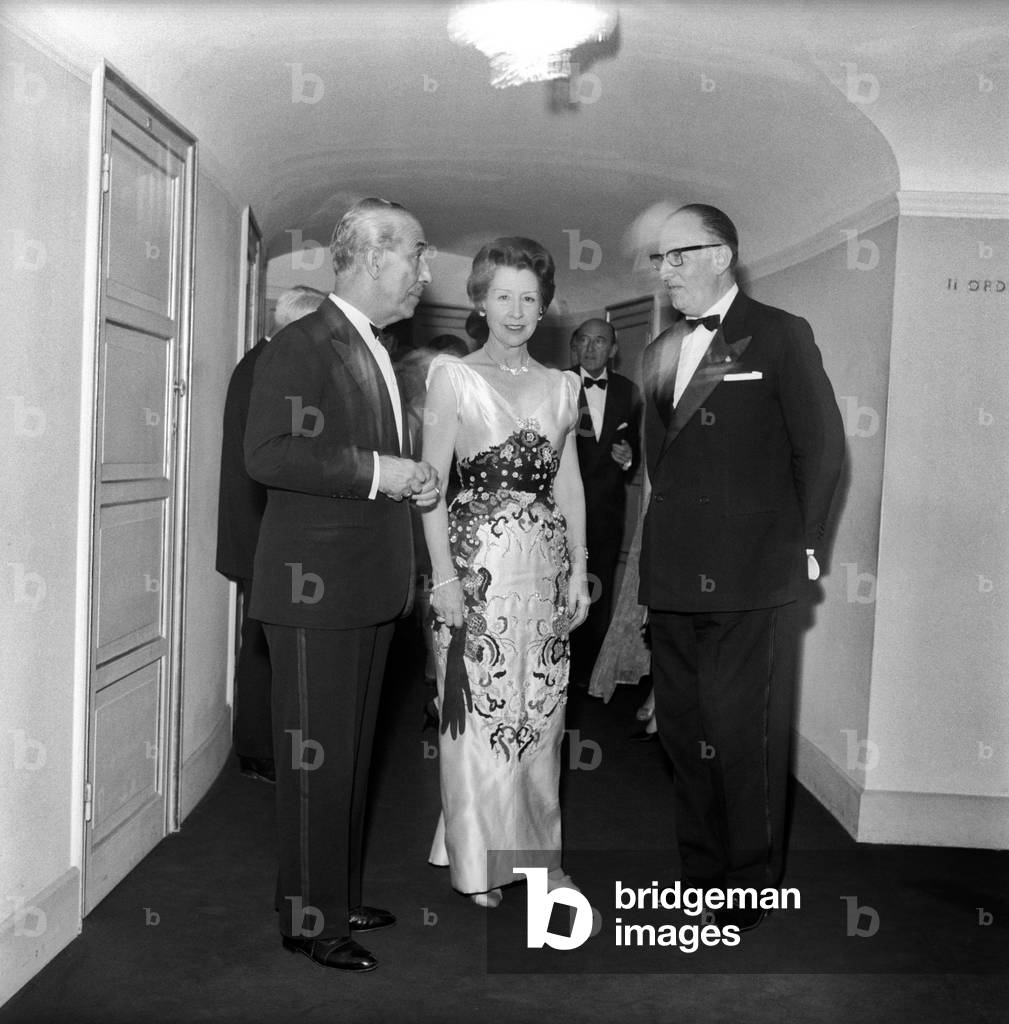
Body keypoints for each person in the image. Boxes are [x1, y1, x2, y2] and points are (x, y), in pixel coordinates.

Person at [244, 198, 439, 972]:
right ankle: (307, 919)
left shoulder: (368, 346)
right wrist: (376, 472)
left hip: (361, 589)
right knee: (315, 761)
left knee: (347, 758)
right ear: (368, 257)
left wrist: (405, 482)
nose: (424, 272)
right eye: (417, 254)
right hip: (312, 595)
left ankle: (332, 893)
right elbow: (267, 453)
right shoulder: (304, 342)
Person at [639, 203, 844, 932]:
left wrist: (806, 547)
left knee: (741, 735)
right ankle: (700, 872)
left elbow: (818, 449)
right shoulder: (660, 349)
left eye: (677, 256)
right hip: (672, 578)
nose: (664, 271)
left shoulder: (780, 333)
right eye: (658, 260)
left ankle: (749, 883)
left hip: (753, 576)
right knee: (683, 731)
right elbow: (660, 465)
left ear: (721, 255)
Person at [421, 237, 590, 908]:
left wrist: (579, 573)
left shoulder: (562, 385)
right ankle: (481, 861)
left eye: (528, 298)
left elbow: (569, 486)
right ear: (479, 302)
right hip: (475, 569)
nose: (515, 311)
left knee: (539, 718)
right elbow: (430, 486)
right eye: (502, 297)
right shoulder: (451, 376)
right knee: (480, 715)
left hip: (543, 575)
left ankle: (534, 857)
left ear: (543, 307)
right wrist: (442, 580)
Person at [216, 285, 326, 784]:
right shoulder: (268, 367)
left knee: (263, 642)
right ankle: (259, 752)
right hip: (262, 531)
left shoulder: (257, 360)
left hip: (257, 529)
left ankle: (263, 747)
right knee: (262, 645)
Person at [568, 318, 641, 690]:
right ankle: (556, 666)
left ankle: (592, 673)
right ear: (574, 347)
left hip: (607, 514)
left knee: (600, 590)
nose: (592, 348)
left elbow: (638, 455)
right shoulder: (558, 384)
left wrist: (628, 457)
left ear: (613, 350)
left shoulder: (630, 392)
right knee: (561, 588)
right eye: (585, 341)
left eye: (601, 341)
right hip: (562, 513)